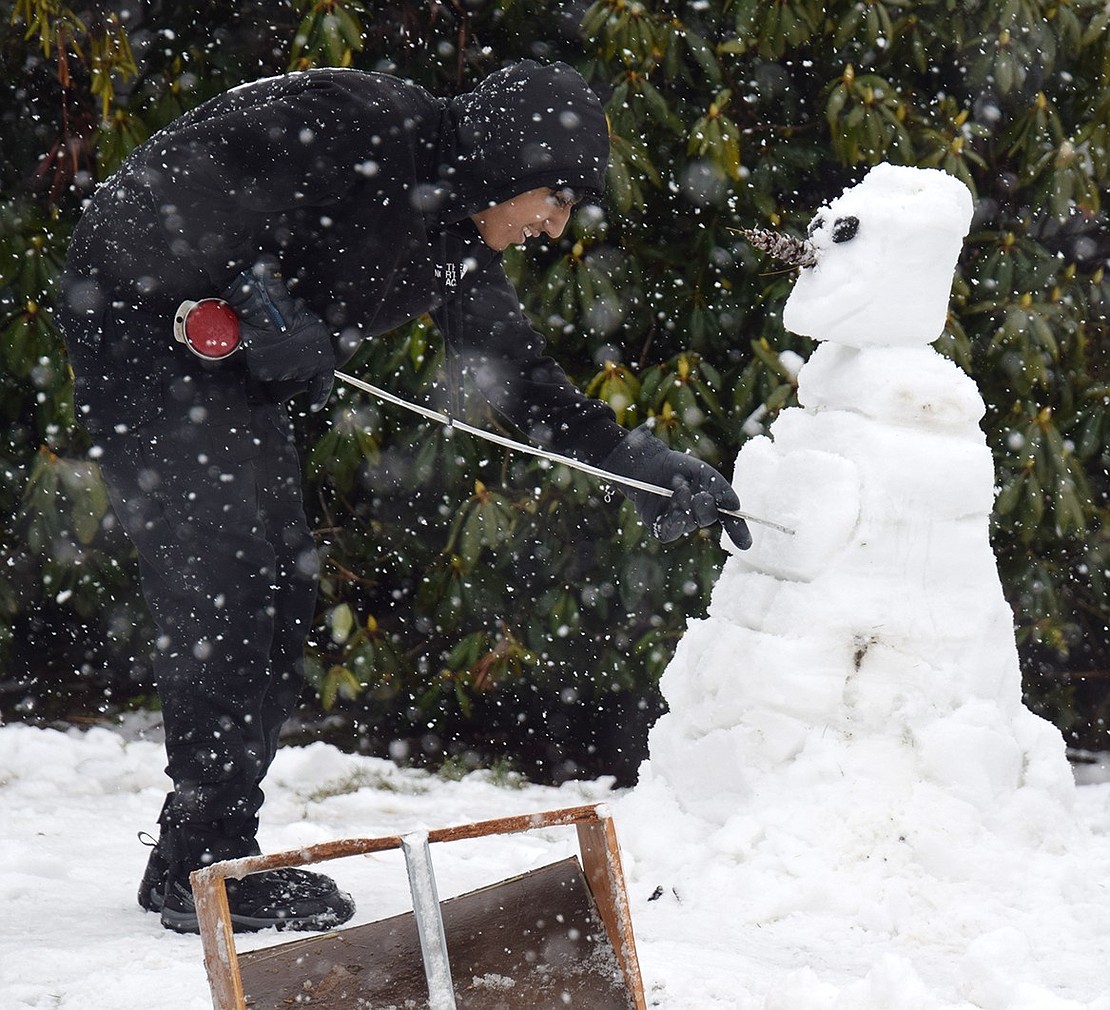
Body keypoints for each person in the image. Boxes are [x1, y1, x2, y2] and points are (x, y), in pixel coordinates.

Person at [56, 60, 751, 935]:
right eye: (556, 197)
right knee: (226, 583)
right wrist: (259, 301)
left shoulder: (452, 236)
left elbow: (518, 380)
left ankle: (199, 855)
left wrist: (634, 459)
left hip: (226, 377)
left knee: (280, 588)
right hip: (144, 334)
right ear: (512, 160)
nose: (555, 224)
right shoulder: (359, 123)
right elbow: (160, 204)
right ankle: (204, 865)